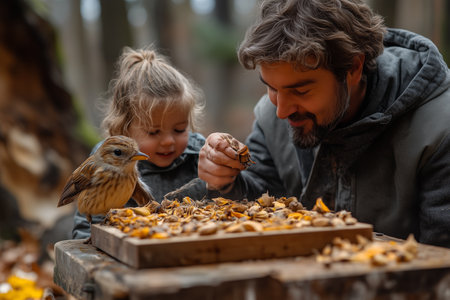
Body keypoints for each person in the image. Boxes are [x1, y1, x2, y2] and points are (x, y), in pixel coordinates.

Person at [198, 0, 450, 247]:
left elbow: (440, 265)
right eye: (271, 88)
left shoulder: (439, 128)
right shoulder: (271, 116)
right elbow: (256, 200)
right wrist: (224, 181)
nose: (282, 111)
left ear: (353, 67)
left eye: (301, 91)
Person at [73, 46, 207, 239]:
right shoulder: (104, 162)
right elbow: (85, 228)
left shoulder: (199, 154)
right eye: (154, 132)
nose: (169, 141)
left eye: (179, 129)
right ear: (123, 131)